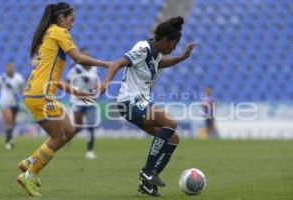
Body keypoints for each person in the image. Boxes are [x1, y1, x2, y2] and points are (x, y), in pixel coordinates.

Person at [16, 2, 110, 197]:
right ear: (61, 18)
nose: (72, 24)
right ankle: (29, 174)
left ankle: (29, 163)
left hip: (38, 93)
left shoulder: (46, 35)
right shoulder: (59, 32)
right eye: (71, 19)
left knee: (68, 131)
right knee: (59, 137)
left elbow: (55, 80)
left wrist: (78, 93)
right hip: (40, 95)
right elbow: (79, 58)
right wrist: (106, 63)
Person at [98, 16, 196, 197]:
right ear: (165, 40)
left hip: (139, 102)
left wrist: (181, 57)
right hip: (129, 100)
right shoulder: (143, 48)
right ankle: (148, 170)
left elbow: (161, 64)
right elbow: (118, 62)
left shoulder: (157, 53)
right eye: (173, 45)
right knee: (170, 122)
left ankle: (148, 184)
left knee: (173, 138)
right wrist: (105, 83)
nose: (173, 49)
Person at [66, 47, 99, 159]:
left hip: (90, 101)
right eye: (84, 55)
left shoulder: (94, 69)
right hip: (77, 101)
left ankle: (90, 151)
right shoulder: (75, 69)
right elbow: (67, 82)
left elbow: (95, 83)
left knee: (90, 125)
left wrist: (95, 90)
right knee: (79, 127)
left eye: (88, 55)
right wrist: (74, 90)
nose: (86, 57)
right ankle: (68, 137)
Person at [0, 63, 25, 150]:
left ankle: (9, 138)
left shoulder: (18, 78)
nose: (9, 69)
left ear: (13, 68)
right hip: (4, 103)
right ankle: (8, 141)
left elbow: (22, 90)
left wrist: (24, 99)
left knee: (12, 123)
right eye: (8, 68)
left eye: (10, 68)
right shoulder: (2, 78)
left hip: (15, 103)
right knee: (9, 120)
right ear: (6, 69)